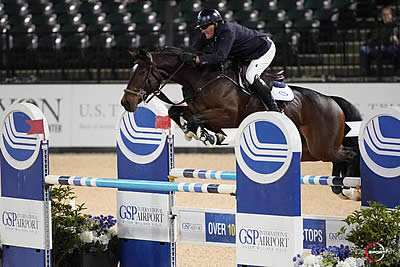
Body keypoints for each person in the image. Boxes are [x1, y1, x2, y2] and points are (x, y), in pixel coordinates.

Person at [181, 8, 280, 112]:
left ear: (215, 24)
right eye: (201, 27)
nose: (203, 30)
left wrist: (197, 59)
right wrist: (182, 54)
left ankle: (274, 109)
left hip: (263, 50)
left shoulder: (227, 31)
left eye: (205, 27)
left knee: (250, 76)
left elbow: (220, 57)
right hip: (245, 54)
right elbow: (193, 49)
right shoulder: (209, 32)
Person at [359, 7, 399, 75]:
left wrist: (395, 39)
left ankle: (380, 73)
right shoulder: (378, 25)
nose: (385, 16)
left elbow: (395, 39)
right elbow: (371, 35)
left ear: (391, 15)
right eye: (383, 15)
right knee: (363, 49)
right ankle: (366, 72)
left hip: (388, 46)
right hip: (374, 45)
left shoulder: (394, 25)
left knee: (379, 48)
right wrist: (368, 42)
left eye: (387, 14)